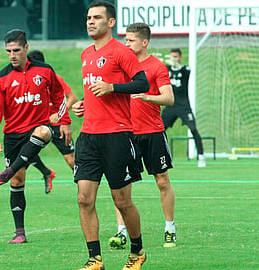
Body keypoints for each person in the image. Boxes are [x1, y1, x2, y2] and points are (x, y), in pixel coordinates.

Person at [72, 1, 149, 269]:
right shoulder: (85, 54)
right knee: (84, 198)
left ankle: (137, 252)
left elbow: (142, 82)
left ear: (111, 22)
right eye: (88, 17)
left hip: (117, 136)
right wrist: (81, 104)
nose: (90, 21)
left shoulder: (121, 51)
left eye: (97, 17)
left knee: (122, 200)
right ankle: (95, 259)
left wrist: (113, 87)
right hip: (89, 136)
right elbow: (96, 90)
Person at [0, 29, 66, 244]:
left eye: (16, 50)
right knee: (18, 180)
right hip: (13, 134)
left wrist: (64, 121)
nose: (12, 55)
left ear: (26, 48)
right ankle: (20, 232)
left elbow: (60, 96)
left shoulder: (44, 70)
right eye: (8, 51)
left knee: (43, 131)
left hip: (39, 127)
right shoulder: (2, 78)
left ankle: (6, 173)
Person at [108, 22, 177, 250]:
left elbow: (169, 99)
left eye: (130, 40)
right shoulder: (120, 67)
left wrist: (147, 97)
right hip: (125, 133)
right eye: (125, 39)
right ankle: (121, 232)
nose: (126, 43)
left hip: (153, 133)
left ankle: (170, 228)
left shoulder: (156, 66)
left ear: (144, 42)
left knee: (162, 181)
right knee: (122, 185)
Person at [27, 50, 77, 194]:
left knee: (71, 160)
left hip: (57, 126)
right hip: (39, 126)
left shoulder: (55, 78)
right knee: (26, 151)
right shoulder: (29, 80)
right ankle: (46, 172)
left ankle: (86, 182)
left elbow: (72, 97)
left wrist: (59, 114)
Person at [162, 48, 206, 167]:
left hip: (183, 106)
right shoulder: (166, 70)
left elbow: (186, 71)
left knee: (193, 129)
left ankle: (201, 156)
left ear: (180, 58)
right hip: (170, 105)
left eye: (175, 57)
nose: (173, 60)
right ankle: (163, 157)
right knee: (158, 130)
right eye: (171, 57)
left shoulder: (185, 69)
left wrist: (176, 64)